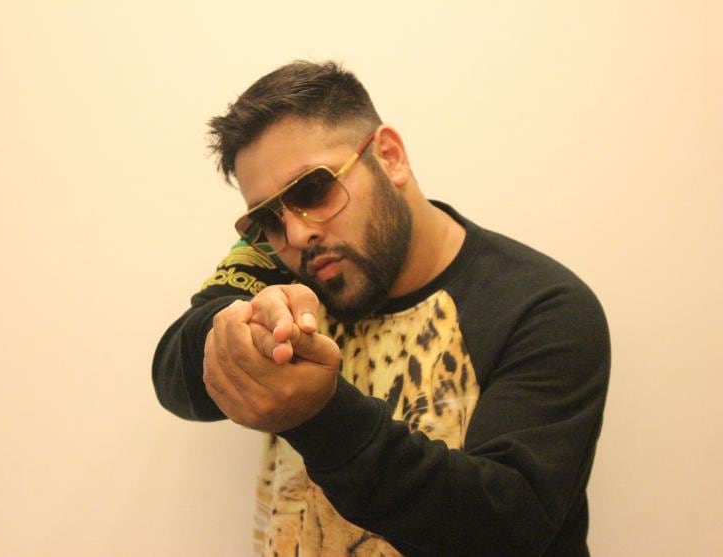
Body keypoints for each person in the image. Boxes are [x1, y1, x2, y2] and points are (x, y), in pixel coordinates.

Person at [152, 61, 610, 557]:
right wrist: (231, 333)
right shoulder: (278, 256)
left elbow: (505, 529)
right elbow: (176, 378)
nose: (298, 233)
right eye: (268, 218)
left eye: (312, 190)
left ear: (390, 157)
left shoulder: (543, 307)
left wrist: (320, 417)